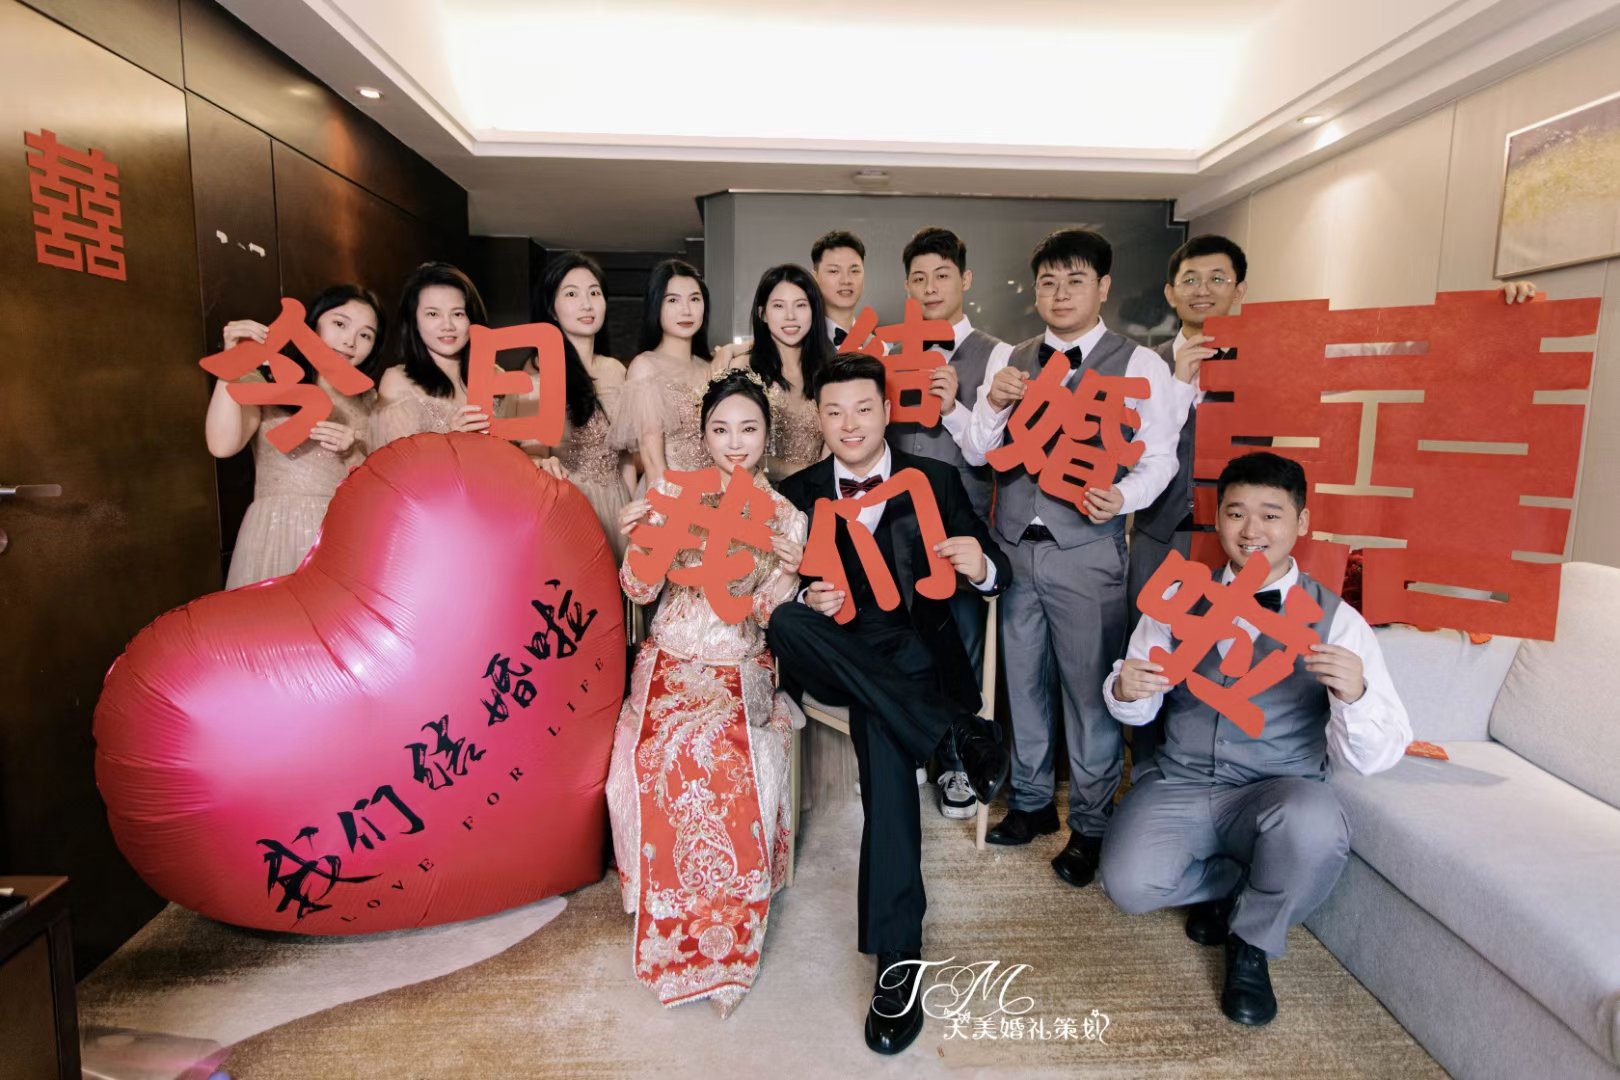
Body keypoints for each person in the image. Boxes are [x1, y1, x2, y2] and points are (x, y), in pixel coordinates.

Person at [1099, 451, 1412, 1027]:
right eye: (1236, 513)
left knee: (1315, 825)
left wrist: (1356, 694)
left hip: (1278, 788)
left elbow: (1377, 755)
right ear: (1217, 519)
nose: (1251, 530)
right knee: (1127, 885)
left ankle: (1252, 939)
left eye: (1271, 515)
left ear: (1302, 522)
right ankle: (1239, 883)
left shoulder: (1339, 621)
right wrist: (1126, 686)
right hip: (1182, 779)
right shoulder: (1178, 600)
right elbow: (1137, 709)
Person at [766, 354, 1011, 1056]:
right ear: (819, 417)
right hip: (838, 652)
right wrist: (808, 595)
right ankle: (954, 734)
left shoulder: (936, 480)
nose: (849, 424)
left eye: (863, 409)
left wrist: (981, 566)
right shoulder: (796, 492)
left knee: (883, 724)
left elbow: (998, 571)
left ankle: (897, 957)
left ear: (886, 411)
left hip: (913, 658)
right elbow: (770, 587)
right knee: (786, 621)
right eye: (834, 411)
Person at [961, 228, 1192, 886]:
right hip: (1014, 548)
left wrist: (1123, 496)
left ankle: (1090, 823)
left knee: (1090, 691)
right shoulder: (1013, 358)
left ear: (1103, 287)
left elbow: (1160, 457)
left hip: (1087, 551)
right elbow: (978, 450)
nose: (1060, 294)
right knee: (1023, 686)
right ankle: (1032, 802)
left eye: (1075, 281)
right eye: (1049, 282)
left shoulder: (1138, 364)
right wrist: (995, 403)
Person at [605, 368, 807, 1018]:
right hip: (668, 654)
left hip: (739, 661)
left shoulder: (786, 517)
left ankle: (724, 930)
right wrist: (638, 538)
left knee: (717, 749)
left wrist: (793, 574)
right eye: (721, 430)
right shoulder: (673, 494)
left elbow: (774, 615)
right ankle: (669, 912)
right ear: (703, 435)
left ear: (768, 435)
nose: (735, 442)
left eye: (748, 428)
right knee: (658, 749)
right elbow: (639, 591)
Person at [890, 226, 1013, 820]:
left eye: (942, 275)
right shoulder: (891, 352)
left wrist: (954, 406)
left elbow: (997, 451)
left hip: (959, 520)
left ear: (964, 279)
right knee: (905, 639)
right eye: (919, 278)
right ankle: (921, 744)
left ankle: (962, 762)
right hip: (896, 522)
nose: (930, 287)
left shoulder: (998, 354)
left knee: (963, 641)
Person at [206, 284, 386, 587]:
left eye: (365, 335)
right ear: (312, 322)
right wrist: (233, 362)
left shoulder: (369, 399)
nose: (350, 341)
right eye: (340, 324)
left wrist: (352, 452)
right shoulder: (268, 378)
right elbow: (222, 445)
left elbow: (380, 485)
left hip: (345, 534)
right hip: (276, 530)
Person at [502, 252, 633, 557]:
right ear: (551, 308)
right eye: (572, 294)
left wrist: (631, 512)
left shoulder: (616, 370)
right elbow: (532, 457)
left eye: (594, 293)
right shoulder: (536, 373)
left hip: (619, 505)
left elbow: (626, 457)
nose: (586, 304)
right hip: (569, 505)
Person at [611, 259, 716, 484]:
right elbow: (653, 461)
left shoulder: (709, 368)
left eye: (694, 299)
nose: (686, 310)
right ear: (656, 306)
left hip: (717, 491)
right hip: (670, 493)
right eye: (673, 300)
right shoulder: (645, 367)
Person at [725, 263, 832, 481]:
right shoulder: (742, 370)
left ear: (814, 311)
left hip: (817, 492)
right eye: (779, 306)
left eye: (800, 305)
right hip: (757, 491)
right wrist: (803, 474)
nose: (790, 316)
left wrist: (820, 481)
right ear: (763, 314)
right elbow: (731, 445)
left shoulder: (828, 371)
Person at [371, 261, 494, 447]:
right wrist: (450, 438)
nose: (447, 325)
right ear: (414, 321)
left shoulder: (496, 375)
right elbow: (395, 459)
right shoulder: (398, 381)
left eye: (458, 314)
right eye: (433, 314)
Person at [811, 230, 869, 346]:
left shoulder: (881, 348)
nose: (846, 280)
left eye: (854, 271)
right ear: (815, 277)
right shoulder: (800, 345)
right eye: (834, 271)